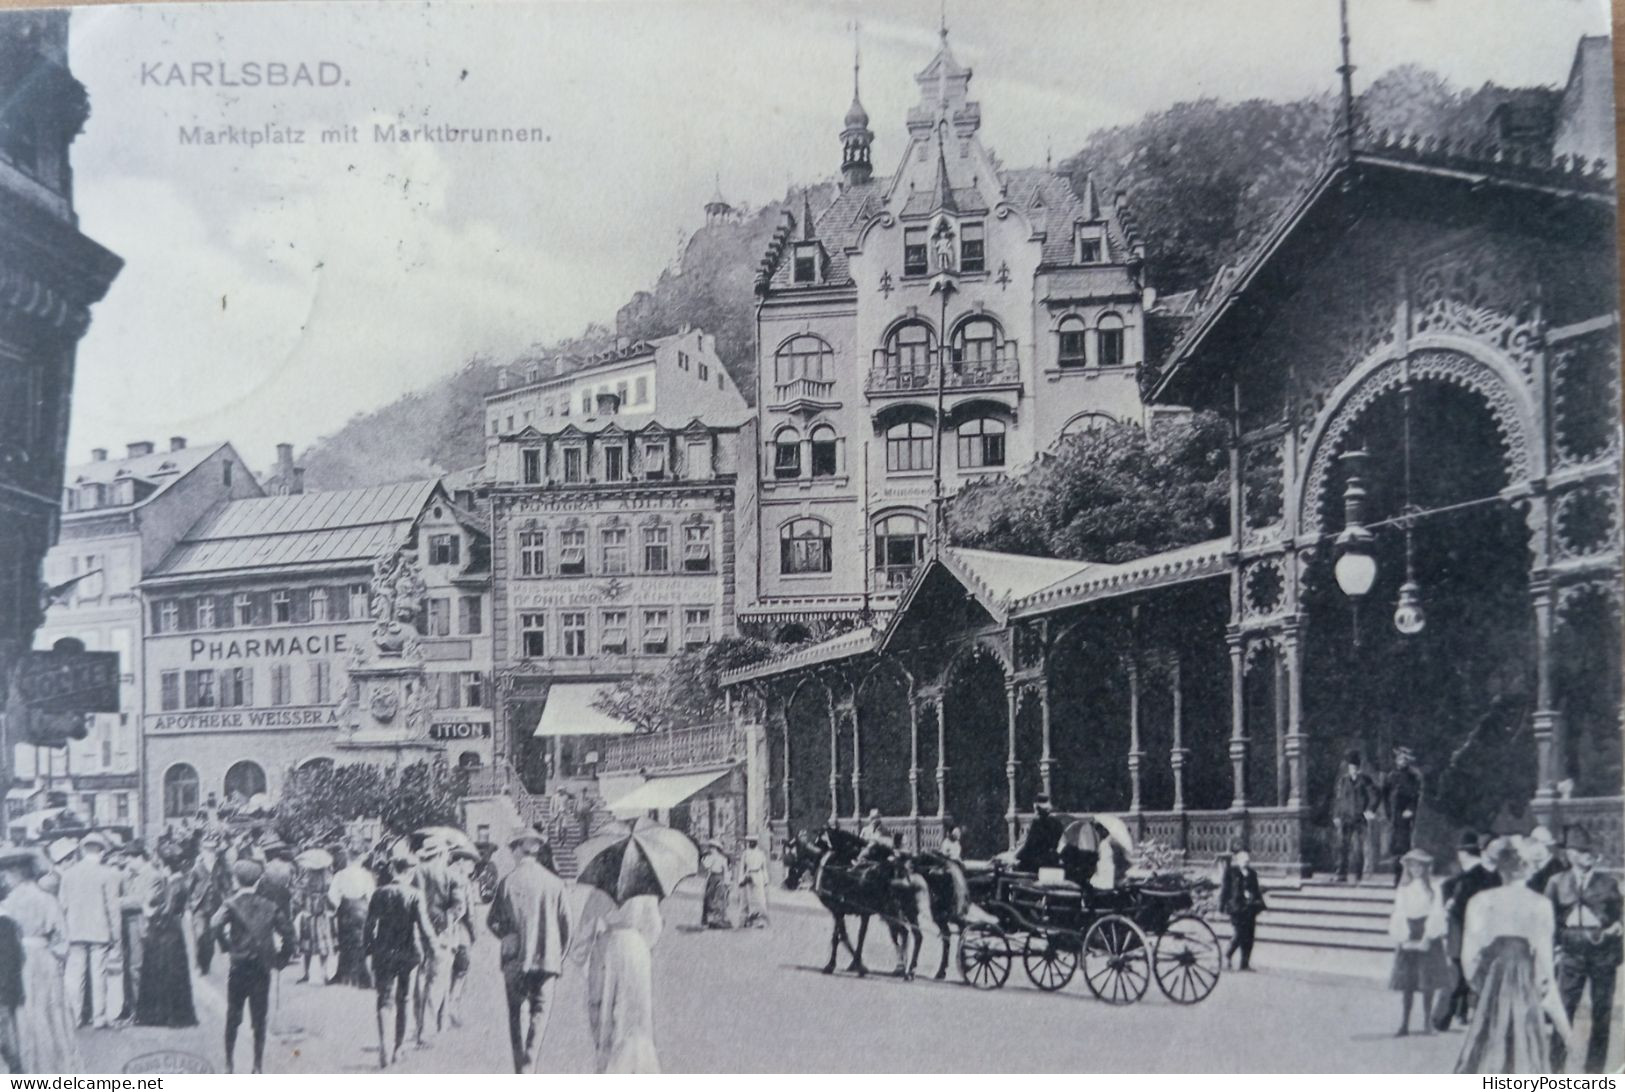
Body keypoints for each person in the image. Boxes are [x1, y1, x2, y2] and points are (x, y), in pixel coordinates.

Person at [1454, 837, 1557, 1074]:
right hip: (1525, 980)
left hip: (1493, 978)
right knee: (1525, 1041)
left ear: (1499, 867)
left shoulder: (1481, 901)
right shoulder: (1540, 903)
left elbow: (1469, 956)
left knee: (1488, 1039)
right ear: (1529, 868)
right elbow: (1545, 960)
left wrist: (1481, 984)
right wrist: (1542, 985)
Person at [486, 829, 573, 1074]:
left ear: (516, 850)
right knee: (539, 1013)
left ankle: (519, 1071)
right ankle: (530, 1065)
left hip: (514, 960)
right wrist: (559, 954)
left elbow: (492, 921)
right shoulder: (555, 884)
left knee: (517, 1016)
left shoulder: (507, 882)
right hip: (547, 960)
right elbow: (567, 926)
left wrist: (507, 937)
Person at [1544, 824, 1620, 1074]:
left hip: (1602, 954)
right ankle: (1554, 1070)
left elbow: (1620, 916)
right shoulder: (1556, 882)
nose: (1590, 855)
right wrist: (1552, 951)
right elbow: (1546, 920)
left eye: (1592, 851)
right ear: (1570, 854)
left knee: (1602, 1014)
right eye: (1583, 850)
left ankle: (1594, 1074)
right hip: (1570, 953)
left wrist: (1616, 928)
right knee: (1562, 1011)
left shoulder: (1608, 883)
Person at [211, 858, 295, 1074]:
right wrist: (281, 958)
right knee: (259, 1018)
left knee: (233, 1015)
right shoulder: (269, 906)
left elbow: (215, 924)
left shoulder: (230, 904)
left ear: (236, 880)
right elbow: (288, 933)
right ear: (258, 881)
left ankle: (229, 1063)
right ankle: (257, 1065)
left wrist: (226, 945)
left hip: (238, 966)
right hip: (262, 967)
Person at [0, 848, 73, 1073]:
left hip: (17, 961)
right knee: (50, 1012)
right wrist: (57, 955)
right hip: (44, 959)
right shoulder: (47, 899)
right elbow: (61, 936)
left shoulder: (7, 903)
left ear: (15, 874)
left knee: (23, 1015)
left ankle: (28, 1067)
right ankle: (55, 1067)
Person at [363, 853, 436, 1069]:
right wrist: (433, 949)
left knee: (384, 1000)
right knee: (404, 1000)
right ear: (411, 872)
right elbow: (424, 927)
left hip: (383, 953)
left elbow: (369, 927)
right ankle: (398, 1048)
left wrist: (368, 952)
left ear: (394, 870)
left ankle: (384, 1046)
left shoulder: (379, 893)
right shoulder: (415, 895)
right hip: (409, 954)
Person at [581, 892, 661, 1073]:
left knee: (604, 1006)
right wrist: (642, 945)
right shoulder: (646, 891)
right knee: (636, 1011)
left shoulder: (601, 890)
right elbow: (654, 927)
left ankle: (608, 1061)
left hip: (608, 945)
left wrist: (587, 958)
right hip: (637, 949)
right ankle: (638, 1065)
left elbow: (585, 927)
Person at [1438, 831, 1501, 1031]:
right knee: (1458, 978)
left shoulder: (1493, 875)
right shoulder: (1472, 877)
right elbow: (1455, 903)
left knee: (1468, 976)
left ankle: (1457, 1015)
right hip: (1467, 932)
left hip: (1480, 932)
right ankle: (1444, 1016)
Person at [59, 831, 122, 1029]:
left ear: (83, 850)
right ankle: (99, 1017)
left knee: (75, 976)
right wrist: (117, 937)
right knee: (99, 974)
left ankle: (75, 1017)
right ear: (101, 851)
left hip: (75, 930)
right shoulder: (108, 874)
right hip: (100, 932)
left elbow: (62, 906)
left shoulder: (68, 875)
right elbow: (113, 908)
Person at [135, 842, 198, 1028]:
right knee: (174, 972)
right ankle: (174, 1014)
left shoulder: (173, 884)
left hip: (165, 932)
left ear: (166, 865)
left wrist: (149, 911)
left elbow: (167, 910)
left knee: (163, 971)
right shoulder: (179, 882)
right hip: (173, 931)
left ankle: (162, 1016)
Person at [1389, 848, 1450, 1036]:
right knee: (1408, 983)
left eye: (1419, 865)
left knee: (1427, 982)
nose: (1416, 869)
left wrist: (1427, 937)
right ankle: (1404, 1023)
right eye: (1412, 865)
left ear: (1425, 867)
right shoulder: (1404, 888)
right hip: (1409, 930)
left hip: (1426, 931)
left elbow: (1436, 912)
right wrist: (1403, 937)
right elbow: (1399, 912)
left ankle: (1427, 1023)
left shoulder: (1434, 887)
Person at [411, 835, 466, 1043]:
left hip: (418, 931)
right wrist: (446, 920)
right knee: (438, 981)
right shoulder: (450, 875)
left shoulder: (416, 873)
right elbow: (459, 907)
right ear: (442, 854)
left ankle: (419, 1026)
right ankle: (428, 1029)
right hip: (443, 934)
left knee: (421, 980)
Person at [114, 841, 161, 1022]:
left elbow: (142, 900)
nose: (126, 862)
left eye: (129, 858)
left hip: (142, 925)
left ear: (140, 857)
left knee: (137, 967)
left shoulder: (153, 875)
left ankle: (141, 1011)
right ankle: (130, 1007)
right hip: (129, 924)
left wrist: (114, 901)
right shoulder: (131, 874)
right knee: (128, 967)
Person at [327, 845, 375, 988]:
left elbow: (332, 894)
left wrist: (338, 905)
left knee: (344, 941)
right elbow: (371, 894)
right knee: (361, 941)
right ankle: (362, 976)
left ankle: (343, 974)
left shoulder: (340, 875)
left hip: (345, 908)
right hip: (361, 908)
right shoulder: (366, 875)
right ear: (360, 858)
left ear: (348, 857)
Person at [1331, 750, 1380, 883]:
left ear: (1359, 768)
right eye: (1351, 768)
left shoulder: (1365, 780)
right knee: (1342, 846)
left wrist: (1370, 810)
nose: (1353, 770)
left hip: (1359, 818)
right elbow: (1338, 799)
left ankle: (1358, 875)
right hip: (1345, 818)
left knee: (1358, 848)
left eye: (1356, 768)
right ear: (1348, 768)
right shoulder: (1343, 781)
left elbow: (1375, 796)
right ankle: (1341, 873)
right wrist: (1336, 815)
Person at [188, 828, 230, 975]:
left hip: (215, 907)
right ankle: (199, 963)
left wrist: (228, 901)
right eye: (207, 849)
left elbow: (226, 886)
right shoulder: (196, 868)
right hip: (199, 907)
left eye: (212, 849)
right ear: (202, 850)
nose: (210, 852)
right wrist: (190, 905)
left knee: (210, 940)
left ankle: (205, 965)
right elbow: (189, 887)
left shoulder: (220, 867)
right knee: (200, 935)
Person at [1383, 747, 1423, 886]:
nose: (1401, 761)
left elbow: (1416, 796)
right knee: (1393, 847)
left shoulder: (1413, 777)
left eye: (1404, 759)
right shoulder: (1391, 776)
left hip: (1405, 817)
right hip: (1393, 817)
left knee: (1404, 846)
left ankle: (1403, 876)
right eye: (1399, 759)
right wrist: (1388, 813)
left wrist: (1410, 810)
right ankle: (1396, 875)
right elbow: (1385, 796)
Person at [1220, 848, 1266, 971]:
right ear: (1238, 861)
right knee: (1239, 934)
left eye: (1248, 860)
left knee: (1250, 936)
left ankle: (1244, 963)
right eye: (1243, 860)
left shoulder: (1252, 873)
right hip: (1236, 908)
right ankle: (1227, 955)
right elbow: (1225, 890)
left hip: (1250, 908)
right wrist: (1222, 906)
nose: (1246, 862)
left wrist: (1260, 904)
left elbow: (1256, 890)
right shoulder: (1231, 872)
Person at [293, 857, 334, 985]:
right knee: (323, 946)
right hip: (322, 914)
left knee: (306, 945)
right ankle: (324, 973)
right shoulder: (327, 878)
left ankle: (306, 973)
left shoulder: (305, 879)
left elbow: (297, 899)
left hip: (308, 913)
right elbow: (331, 896)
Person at [1013, 795, 1063, 873]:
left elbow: (1029, 846)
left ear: (1038, 809)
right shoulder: (1057, 823)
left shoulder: (1037, 823)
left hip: (1037, 862)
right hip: (1052, 859)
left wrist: (1015, 856)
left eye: (1036, 810)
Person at [737, 836, 770, 929]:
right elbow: (742, 867)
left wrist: (765, 880)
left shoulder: (761, 853)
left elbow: (764, 868)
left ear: (756, 842)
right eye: (750, 842)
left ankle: (761, 920)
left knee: (760, 898)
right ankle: (747, 920)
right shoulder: (745, 853)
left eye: (753, 842)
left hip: (758, 875)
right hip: (749, 874)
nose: (751, 843)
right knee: (747, 898)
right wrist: (741, 879)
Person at [698, 843, 732, 929]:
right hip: (712, 878)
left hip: (718, 878)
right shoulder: (716, 858)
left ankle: (717, 920)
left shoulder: (719, 858)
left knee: (717, 899)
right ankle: (711, 920)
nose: (711, 849)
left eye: (712, 847)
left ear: (716, 848)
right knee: (710, 898)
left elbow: (725, 870)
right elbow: (706, 867)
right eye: (710, 847)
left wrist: (726, 882)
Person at [1525, 827, 1567, 895]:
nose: (1532, 848)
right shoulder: (1532, 867)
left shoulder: (1556, 868)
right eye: (1532, 844)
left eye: (1534, 844)